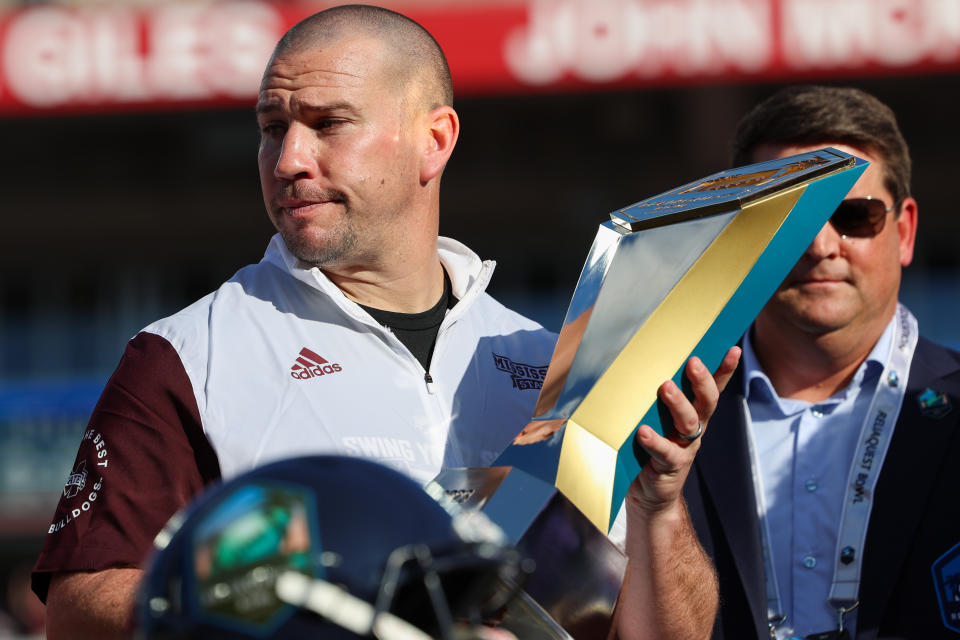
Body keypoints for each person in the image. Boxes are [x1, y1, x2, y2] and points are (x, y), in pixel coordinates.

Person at [32, 5, 738, 640]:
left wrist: (660, 506)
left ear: (434, 139)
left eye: (327, 123)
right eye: (272, 129)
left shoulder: (549, 360)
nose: (288, 161)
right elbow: (79, 612)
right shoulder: (188, 355)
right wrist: (334, 610)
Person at [683, 85, 960, 640]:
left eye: (853, 216)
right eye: (790, 218)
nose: (820, 245)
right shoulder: (661, 415)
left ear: (903, 231)